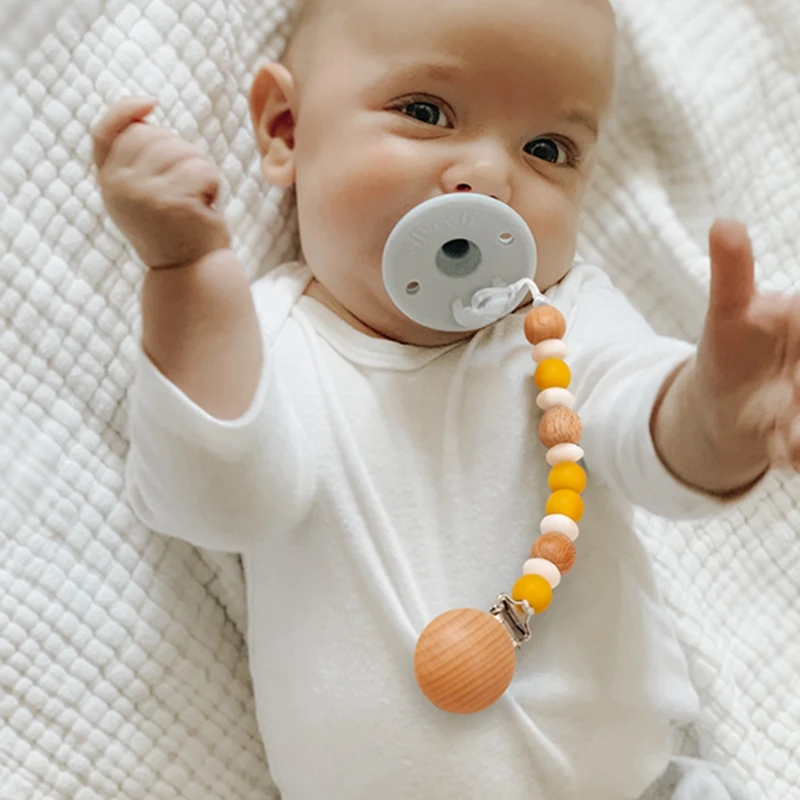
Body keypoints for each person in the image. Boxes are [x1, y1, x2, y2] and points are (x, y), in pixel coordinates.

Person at [92, 0, 796, 796]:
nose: (491, 177)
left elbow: (645, 426)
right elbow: (217, 501)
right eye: (426, 112)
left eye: (547, 148)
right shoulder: (262, 342)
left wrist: (713, 414)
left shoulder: (559, 326)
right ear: (286, 130)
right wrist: (185, 273)